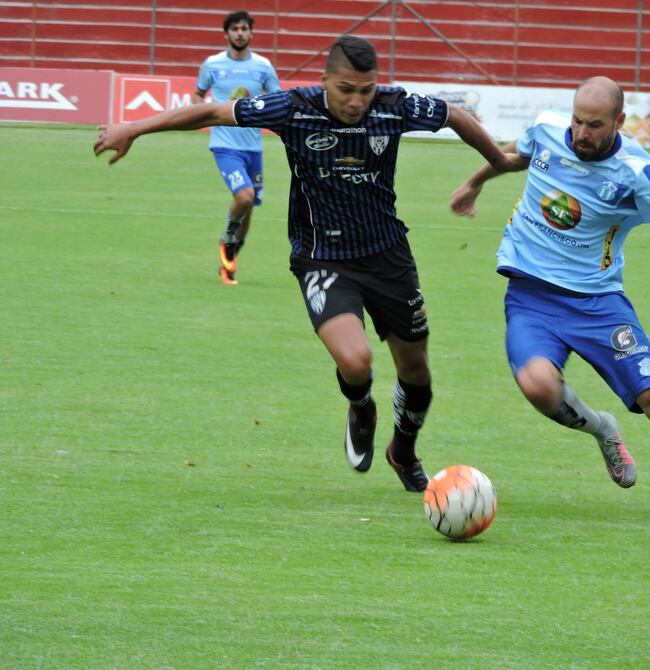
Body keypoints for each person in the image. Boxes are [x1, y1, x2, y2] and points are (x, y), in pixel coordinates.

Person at [95, 35, 521, 492]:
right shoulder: (292, 108)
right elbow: (212, 112)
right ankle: (361, 407)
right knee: (356, 362)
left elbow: (454, 115)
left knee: (416, 374)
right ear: (325, 82)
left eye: (366, 90)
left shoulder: (395, 106)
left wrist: (496, 160)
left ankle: (403, 450)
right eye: (345, 89)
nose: (357, 101)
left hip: (388, 256)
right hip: (322, 258)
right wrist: (134, 127)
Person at [450, 76, 650, 526]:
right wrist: (474, 183)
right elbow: (516, 154)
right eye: (577, 121)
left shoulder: (637, 171)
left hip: (599, 304)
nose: (581, 132)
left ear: (619, 121)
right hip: (531, 297)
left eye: (594, 125)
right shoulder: (547, 127)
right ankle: (603, 428)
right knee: (538, 387)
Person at [192, 10, 281, 284]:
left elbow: (278, 99)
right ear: (227, 33)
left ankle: (228, 264)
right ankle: (227, 236)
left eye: (244, 28)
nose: (240, 33)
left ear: (251, 33)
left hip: (253, 147)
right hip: (224, 145)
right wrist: (204, 115)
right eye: (235, 29)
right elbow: (198, 95)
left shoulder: (263, 66)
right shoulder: (212, 65)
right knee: (244, 197)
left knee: (249, 207)